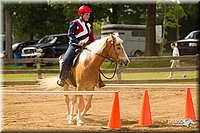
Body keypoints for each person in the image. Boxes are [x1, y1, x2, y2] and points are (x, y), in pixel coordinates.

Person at [57, 5, 105, 87]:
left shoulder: (89, 26)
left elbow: (91, 38)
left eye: (89, 15)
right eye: (87, 14)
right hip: (74, 46)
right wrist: (77, 42)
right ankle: (62, 78)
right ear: (81, 14)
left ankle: (99, 80)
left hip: (86, 47)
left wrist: (95, 44)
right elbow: (71, 35)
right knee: (65, 60)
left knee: (94, 60)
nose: (88, 16)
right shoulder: (75, 23)